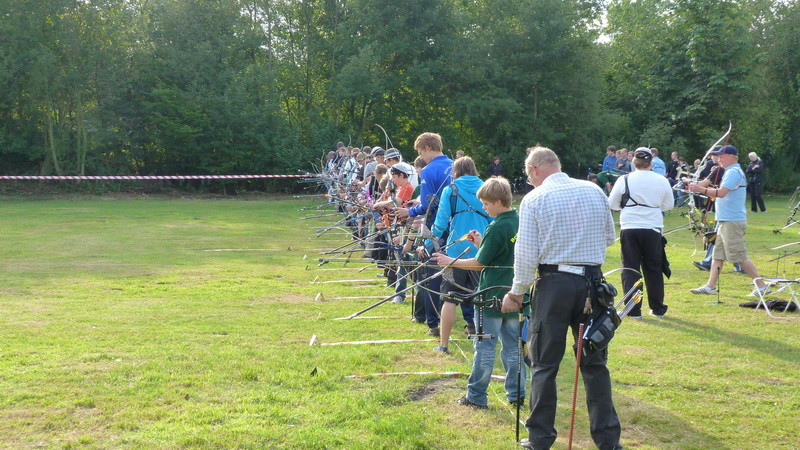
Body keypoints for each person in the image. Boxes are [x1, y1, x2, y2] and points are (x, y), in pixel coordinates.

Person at [501, 146, 621, 450]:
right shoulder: (594, 190)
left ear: (535, 169)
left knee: (544, 364)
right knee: (594, 364)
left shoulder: (535, 198)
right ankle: (608, 441)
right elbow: (609, 235)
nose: (529, 180)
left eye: (528, 174)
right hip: (593, 283)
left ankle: (540, 440)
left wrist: (516, 293)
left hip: (554, 285)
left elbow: (526, 253)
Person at [432, 177, 527, 409]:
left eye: (485, 204)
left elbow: (479, 264)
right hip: (514, 294)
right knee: (513, 348)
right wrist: (481, 242)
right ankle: (517, 395)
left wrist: (449, 260)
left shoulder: (497, 226)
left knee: (484, 347)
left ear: (497, 201)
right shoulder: (518, 220)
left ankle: (475, 397)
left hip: (490, 297)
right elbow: (498, 254)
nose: (483, 208)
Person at [687, 145, 769, 297]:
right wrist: (697, 186)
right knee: (718, 256)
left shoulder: (733, 172)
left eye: (721, 156)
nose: (719, 159)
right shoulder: (730, 171)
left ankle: (762, 286)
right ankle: (710, 286)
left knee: (739, 256)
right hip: (726, 220)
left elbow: (722, 193)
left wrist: (700, 190)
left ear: (731, 156)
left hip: (732, 221)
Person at [428, 157, 490, 353]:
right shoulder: (488, 188)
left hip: (455, 253)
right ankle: (483, 344)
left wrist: (428, 244)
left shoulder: (451, 190)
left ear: (456, 172)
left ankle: (443, 345)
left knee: (450, 299)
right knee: (483, 299)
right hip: (483, 251)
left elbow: (440, 223)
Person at [395, 133, 454, 337]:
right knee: (458, 273)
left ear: (428, 148)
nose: (422, 156)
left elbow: (430, 205)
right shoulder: (454, 165)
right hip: (456, 227)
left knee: (431, 276)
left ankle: (433, 323)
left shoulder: (429, 170)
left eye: (421, 152)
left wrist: (409, 212)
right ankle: (468, 322)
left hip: (436, 227)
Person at [608, 148, 674, 318]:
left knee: (630, 268)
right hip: (652, 228)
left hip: (630, 227)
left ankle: (633, 309)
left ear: (633, 162)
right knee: (653, 268)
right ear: (650, 163)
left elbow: (613, 203)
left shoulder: (625, 179)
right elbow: (668, 205)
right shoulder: (661, 180)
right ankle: (657, 308)